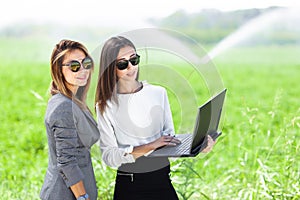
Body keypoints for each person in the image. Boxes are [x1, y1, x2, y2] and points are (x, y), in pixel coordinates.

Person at [95, 36, 215, 200]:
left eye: (134, 60)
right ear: (110, 68)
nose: (131, 67)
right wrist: (150, 146)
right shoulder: (105, 106)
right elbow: (110, 157)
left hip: (162, 180)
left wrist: (197, 147)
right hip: (130, 186)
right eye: (122, 64)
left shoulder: (158, 93)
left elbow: (169, 144)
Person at [40, 39, 100, 200]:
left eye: (86, 63)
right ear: (58, 70)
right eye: (74, 66)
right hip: (66, 194)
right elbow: (67, 163)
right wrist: (83, 197)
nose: (82, 70)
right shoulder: (64, 106)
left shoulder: (71, 101)